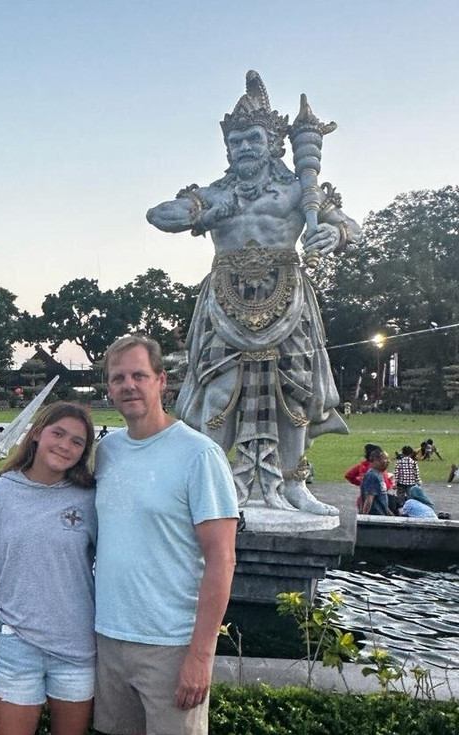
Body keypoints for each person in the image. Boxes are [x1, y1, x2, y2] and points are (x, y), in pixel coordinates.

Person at [146, 71, 361, 516]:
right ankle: (206, 487)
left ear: (274, 143)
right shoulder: (215, 193)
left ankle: (294, 483)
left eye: (252, 138)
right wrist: (203, 213)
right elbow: (159, 215)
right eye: (236, 140)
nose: (244, 147)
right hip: (226, 303)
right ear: (227, 148)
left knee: (297, 393)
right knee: (218, 392)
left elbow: (350, 227)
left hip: (289, 299)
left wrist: (333, 237)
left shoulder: (300, 191)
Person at [92, 335, 238, 735]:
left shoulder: (198, 455)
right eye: (119, 378)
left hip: (171, 644)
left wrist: (201, 655)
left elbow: (222, 558)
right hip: (112, 637)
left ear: (161, 381)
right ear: (109, 390)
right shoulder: (108, 451)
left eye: (138, 375)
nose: (128, 385)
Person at [0, 402, 98, 735]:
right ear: (37, 433)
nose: (65, 446)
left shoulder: (89, 499)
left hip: (76, 653)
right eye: (58, 433)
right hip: (16, 650)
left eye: (77, 442)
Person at [359, 449, 392, 516]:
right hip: (375, 516)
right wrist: (364, 517)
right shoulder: (372, 476)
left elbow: (381, 499)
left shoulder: (379, 474)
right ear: (375, 461)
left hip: (381, 515)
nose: (388, 461)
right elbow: (369, 499)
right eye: (385, 459)